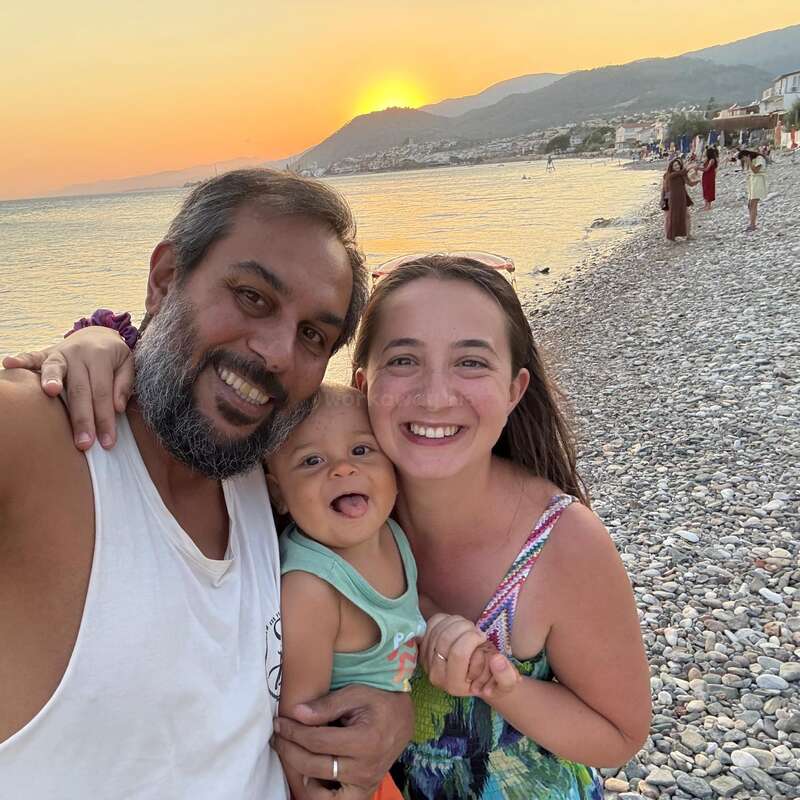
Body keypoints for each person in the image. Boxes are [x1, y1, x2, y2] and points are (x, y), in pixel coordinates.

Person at [31, 255, 651, 798]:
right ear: (362, 388)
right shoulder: (334, 499)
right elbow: (201, 406)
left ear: (515, 389)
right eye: (404, 360)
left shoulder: (561, 545)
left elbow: (620, 735)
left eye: (471, 362)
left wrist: (499, 686)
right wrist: (102, 343)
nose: (435, 396)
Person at [0, 169, 413, 799]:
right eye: (252, 296)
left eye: (313, 335)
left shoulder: (272, 473)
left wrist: (390, 714)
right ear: (165, 279)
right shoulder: (39, 436)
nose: (277, 351)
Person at [269, 383, 505, 799]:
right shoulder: (311, 587)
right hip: (350, 773)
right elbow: (301, 726)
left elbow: (413, 605)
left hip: (392, 755)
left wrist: (446, 630)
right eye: (311, 460)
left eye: (361, 451)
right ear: (277, 493)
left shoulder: (391, 535)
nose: (342, 469)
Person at [661, 157, 699, 242]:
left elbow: (690, 183)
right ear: (671, 166)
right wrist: (662, 199)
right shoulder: (669, 175)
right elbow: (664, 188)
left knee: (687, 216)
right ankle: (669, 236)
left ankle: (688, 234)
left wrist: (696, 181)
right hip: (669, 197)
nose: (677, 166)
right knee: (670, 217)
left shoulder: (681, 174)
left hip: (681, 197)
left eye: (678, 164)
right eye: (675, 165)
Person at [739, 148, 768, 231]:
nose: (744, 161)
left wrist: (749, 162)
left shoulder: (759, 158)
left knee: (753, 203)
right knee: (750, 204)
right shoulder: (753, 159)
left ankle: (752, 224)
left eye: (744, 159)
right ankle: (752, 223)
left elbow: (755, 170)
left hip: (758, 181)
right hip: (752, 182)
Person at [699, 146, 718, 210]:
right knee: (705, 188)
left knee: (709, 189)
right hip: (705, 175)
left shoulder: (712, 160)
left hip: (709, 176)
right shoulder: (707, 159)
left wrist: (698, 168)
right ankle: (705, 204)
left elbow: (707, 169)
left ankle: (709, 205)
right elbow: (703, 165)